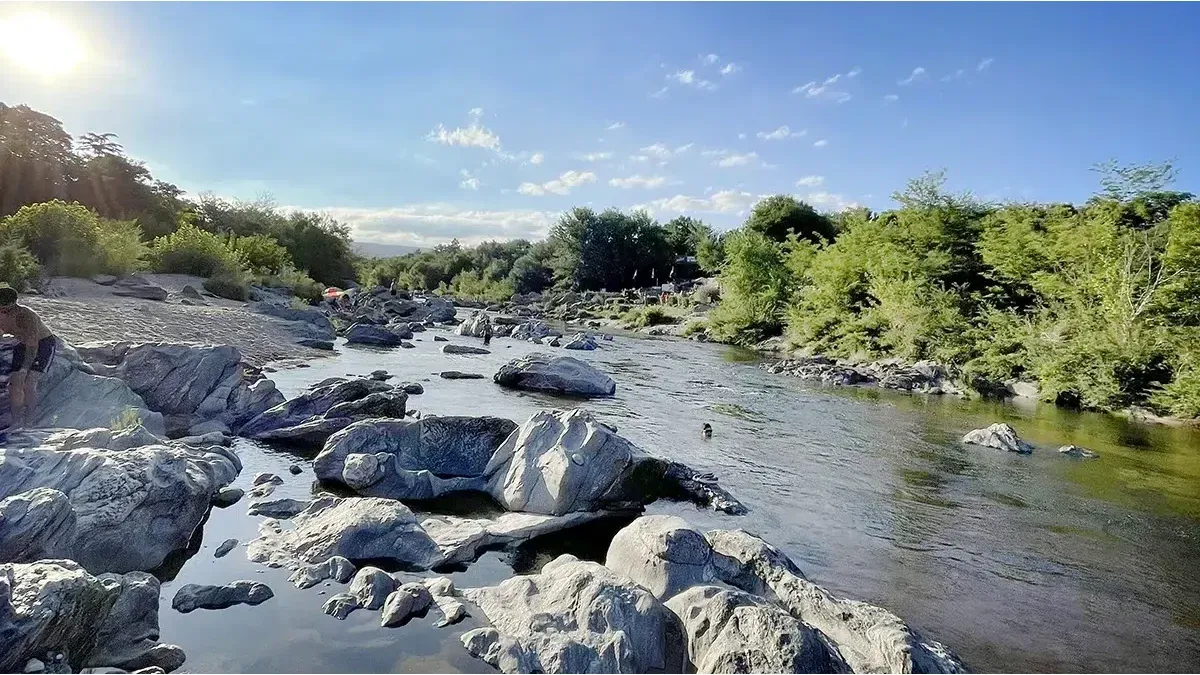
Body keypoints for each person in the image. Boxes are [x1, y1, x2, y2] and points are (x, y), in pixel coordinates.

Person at [0, 287, 57, 430]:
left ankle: (30, 420)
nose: (3, 312)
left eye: (5, 309)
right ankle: (16, 422)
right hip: (22, 344)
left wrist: (25, 368)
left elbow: (33, 346)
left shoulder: (26, 316)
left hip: (42, 344)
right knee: (14, 384)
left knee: (29, 384)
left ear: (14, 304)